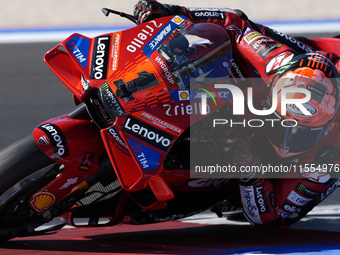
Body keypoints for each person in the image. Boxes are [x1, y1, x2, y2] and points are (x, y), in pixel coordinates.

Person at [133, 0, 340, 228]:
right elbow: (234, 22)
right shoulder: (274, 62)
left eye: (300, 133)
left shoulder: (328, 159)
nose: (285, 143)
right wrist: (173, 13)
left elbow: (276, 217)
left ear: (328, 126)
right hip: (304, 63)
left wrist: (252, 175)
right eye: (281, 124)